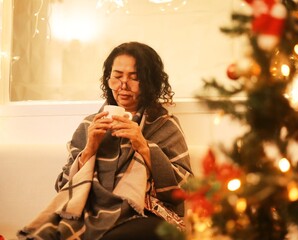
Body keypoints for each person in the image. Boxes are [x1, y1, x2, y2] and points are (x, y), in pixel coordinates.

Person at [18, 42, 193, 240]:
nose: (123, 85)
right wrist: (89, 149)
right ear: (108, 79)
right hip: (88, 212)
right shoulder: (89, 125)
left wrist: (144, 146)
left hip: (144, 215)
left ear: (150, 82)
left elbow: (186, 188)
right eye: (117, 76)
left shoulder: (165, 126)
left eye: (134, 78)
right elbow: (63, 186)